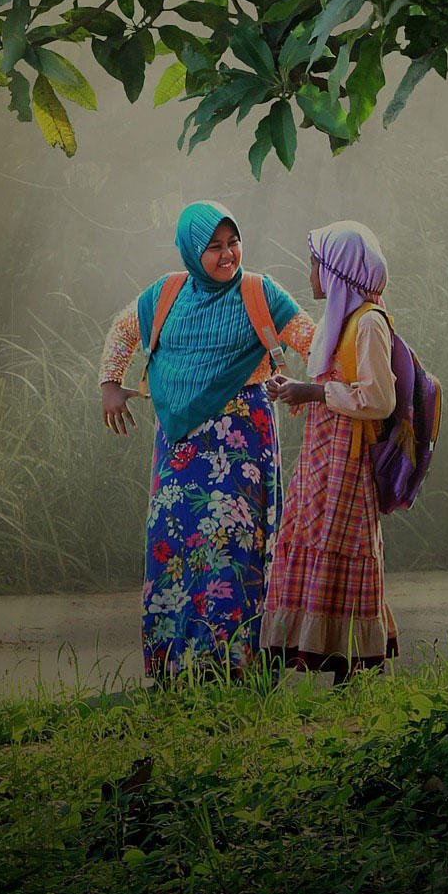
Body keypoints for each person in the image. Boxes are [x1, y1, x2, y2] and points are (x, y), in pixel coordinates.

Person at [99, 201, 314, 681]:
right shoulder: (166, 294)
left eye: (233, 242)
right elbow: (123, 327)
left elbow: (309, 339)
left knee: (234, 549)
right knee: (172, 548)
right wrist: (111, 384)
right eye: (213, 247)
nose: (227, 255)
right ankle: (175, 668)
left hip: (241, 448)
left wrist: (322, 383)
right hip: (178, 449)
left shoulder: (261, 293)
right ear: (192, 253)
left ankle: (236, 669)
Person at [262, 221, 399, 685]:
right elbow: (329, 386)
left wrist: (313, 393)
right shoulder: (337, 323)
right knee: (304, 538)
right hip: (322, 457)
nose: (311, 272)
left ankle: (352, 665)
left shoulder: (369, 325)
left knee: (344, 547)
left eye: (317, 264)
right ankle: (288, 655)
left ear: (338, 271)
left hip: (349, 462)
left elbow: (380, 399)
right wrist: (297, 391)